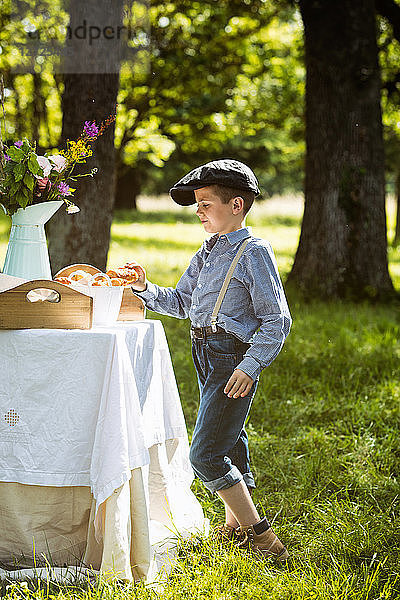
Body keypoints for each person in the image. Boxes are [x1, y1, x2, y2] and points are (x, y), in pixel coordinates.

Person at [131, 159, 292, 561]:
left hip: (230, 359)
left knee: (204, 453)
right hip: (204, 352)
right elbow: (183, 302)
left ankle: (262, 537)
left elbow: (277, 319)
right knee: (230, 440)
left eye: (205, 203)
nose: (198, 211)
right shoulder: (207, 251)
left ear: (236, 205)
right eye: (197, 205)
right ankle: (233, 527)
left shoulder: (254, 253)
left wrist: (249, 366)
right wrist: (143, 287)